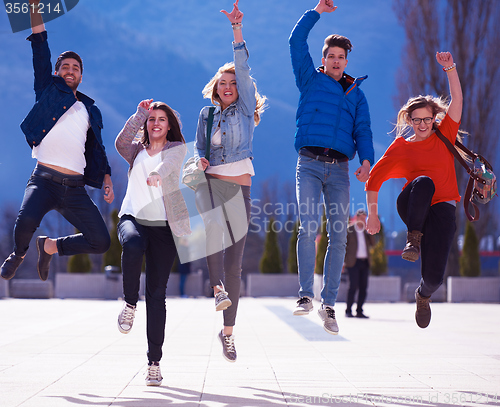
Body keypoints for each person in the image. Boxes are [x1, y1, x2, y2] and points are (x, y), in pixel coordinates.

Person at [0, 0, 114, 281]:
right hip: (44, 180)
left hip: (75, 188)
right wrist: (35, 10)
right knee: (26, 221)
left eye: (75, 67)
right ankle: (19, 253)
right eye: (65, 66)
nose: (70, 70)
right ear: (56, 71)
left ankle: (50, 247)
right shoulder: (47, 91)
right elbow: (40, 47)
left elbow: (97, 150)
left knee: (101, 241)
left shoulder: (91, 110)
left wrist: (108, 177)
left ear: (81, 75)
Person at [289, 0, 374, 335]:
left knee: (339, 236)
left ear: (346, 61)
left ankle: (329, 305)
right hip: (309, 164)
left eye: (341, 57)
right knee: (309, 228)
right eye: (331, 56)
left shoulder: (356, 94)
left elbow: (363, 130)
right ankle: (305, 296)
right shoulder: (309, 80)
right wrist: (317, 11)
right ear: (323, 60)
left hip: (339, 169)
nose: (336, 61)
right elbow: (296, 42)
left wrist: (366, 160)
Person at [365, 51, 463, 329]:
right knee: (424, 182)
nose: (422, 125)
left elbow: (457, 101)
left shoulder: (446, 133)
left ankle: (423, 295)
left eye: (427, 120)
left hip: (443, 209)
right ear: (409, 121)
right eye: (417, 120)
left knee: (435, 278)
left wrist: (450, 69)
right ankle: (413, 240)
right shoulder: (401, 147)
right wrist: (373, 216)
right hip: (413, 205)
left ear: (434, 119)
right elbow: (374, 180)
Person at [193, 0, 266, 362]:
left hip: (240, 188)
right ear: (215, 87)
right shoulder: (206, 114)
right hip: (211, 184)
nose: (228, 86)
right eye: (222, 83)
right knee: (213, 239)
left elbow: (243, 66)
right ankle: (217, 288)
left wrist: (236, 31)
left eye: (232, 82)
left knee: (235, 262)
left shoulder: (245, 108)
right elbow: (199, 150)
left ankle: (228, 332)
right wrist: (200, 159)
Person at [115, 99, 191, 386]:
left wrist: (158, 173)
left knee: (158, 296)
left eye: (161, 119)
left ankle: (154, 362)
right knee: (132, 245)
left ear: (169, 125)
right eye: (152, 119)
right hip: (132, 217)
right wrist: (138, 114)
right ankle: (130, 304)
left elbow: (171, 164)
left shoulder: (176, 149)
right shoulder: (136, 151)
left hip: (163, 228)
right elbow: (121, 142)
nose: (155, 123)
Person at [344, 209, 374, 318]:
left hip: (365, 262)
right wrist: (344, 262)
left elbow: (373, 243)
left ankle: (359, 310)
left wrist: (368, 231)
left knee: (363, 287)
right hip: (353, 262)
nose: (363, 220)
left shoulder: (367, 231)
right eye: (361, 218)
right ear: (357, 218)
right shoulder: (350, 230)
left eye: (364, 218)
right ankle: (348, 310)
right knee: (352, 286)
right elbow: (344, 247)